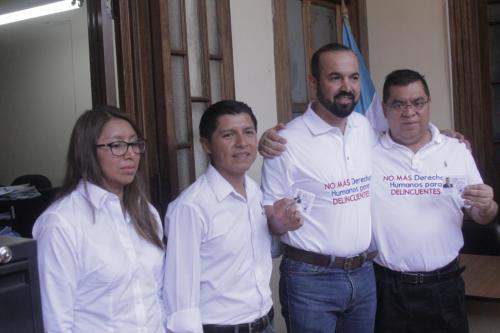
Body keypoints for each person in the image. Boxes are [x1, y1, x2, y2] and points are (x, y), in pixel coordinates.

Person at [261, 43, 377, 332]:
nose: (346, 87)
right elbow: (269, 217)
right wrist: (277, 221)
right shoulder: (285, 142)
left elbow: (407, 130)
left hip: (364, 275)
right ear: (314, 82)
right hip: (310, 280)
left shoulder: (364, 128)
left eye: (353, 77)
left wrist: (449, 139)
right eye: (335, 77)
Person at [371, 69, 498, 332]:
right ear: (385, 109)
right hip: (387, 288)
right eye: (399, 104)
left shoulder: (455, 149)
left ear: (428, 103)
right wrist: (269, 139)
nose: (409, 112)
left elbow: (481, 215)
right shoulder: (366, 152)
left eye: (418, 102)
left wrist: (487, 205)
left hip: (445, 286)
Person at [163, 100, 300, 333]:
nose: (242, 143)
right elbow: (180, 297)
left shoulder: (255, 192)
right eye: (228, 135)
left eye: (248, 132)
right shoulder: (190, 208)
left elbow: (262, 254)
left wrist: (279, 225)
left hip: (265, 322)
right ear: (206, 144)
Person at [33, 106, 166, 332]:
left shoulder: (147, 213)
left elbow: (157, 294)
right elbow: (56, 319)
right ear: (87, 152)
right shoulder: (61, 223)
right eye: (116, 145)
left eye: (134, 144)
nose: (131, 153)